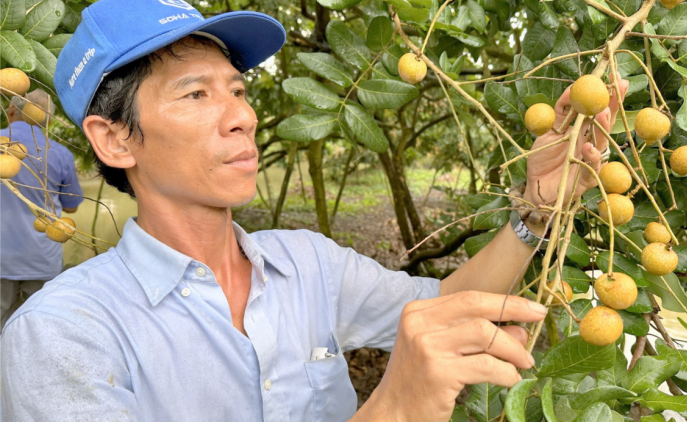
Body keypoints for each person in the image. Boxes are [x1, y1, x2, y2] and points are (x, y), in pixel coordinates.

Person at [0, 0, 627, 420]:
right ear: (114, 139)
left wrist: (536, 209)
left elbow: (447, 301)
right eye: (196, 93)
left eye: (239, 91)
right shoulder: (62, 334)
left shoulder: (308, 263)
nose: (243, 115)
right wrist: (393, 407)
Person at [0, 89, 83, 330]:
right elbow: (72, 207)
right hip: (42, 258)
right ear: (46, 119)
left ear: (12, 110)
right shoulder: (60, 153)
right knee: (39, 328)